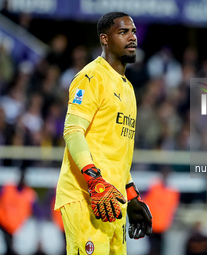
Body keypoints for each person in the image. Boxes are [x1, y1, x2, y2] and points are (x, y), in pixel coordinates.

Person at [54, 12, 152, 255]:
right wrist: (94, 180)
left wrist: (131, 195)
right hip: (87, 197)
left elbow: (116, 152)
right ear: (104, 39)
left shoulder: (128, 88)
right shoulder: (91, 77)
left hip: (112, 201)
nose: (132, 38)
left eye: (134, 32)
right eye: (123, 32)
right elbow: (73, 131)